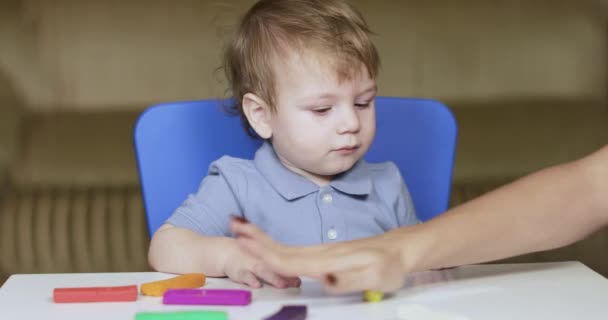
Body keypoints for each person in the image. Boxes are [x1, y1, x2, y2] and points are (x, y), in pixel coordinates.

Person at [148, 0, 421, 289]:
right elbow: (165, 246)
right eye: (322, 109)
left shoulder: (387, 183)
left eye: (363, 102)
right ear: (261, 116)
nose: (351, 122)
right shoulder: (237, 184)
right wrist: (230, 256)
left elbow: (426, 261)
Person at [231, 145, 608, 293]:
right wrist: (400, 251)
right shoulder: (234, 178)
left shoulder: (387, 179)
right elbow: (590, 187)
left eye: (364, 103)